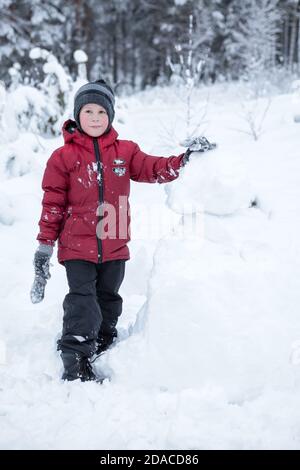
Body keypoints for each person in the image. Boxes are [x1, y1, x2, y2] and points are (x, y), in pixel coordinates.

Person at [30, 79, 215, 382]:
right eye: (87, 111)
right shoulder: (63, 158)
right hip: (77, 246)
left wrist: (184, 161)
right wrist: (45, 245)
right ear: (77, 115)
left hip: (115, 242)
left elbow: (154, 168)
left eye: (100, 112)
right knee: (83, 301)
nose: (93, 118)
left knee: (109, 300)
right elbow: (52, 203)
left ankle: (102, 344)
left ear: (111, 116)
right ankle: (75, 358)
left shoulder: (125, 152)